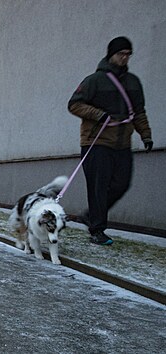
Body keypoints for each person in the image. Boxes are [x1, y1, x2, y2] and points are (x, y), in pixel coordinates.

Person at [68, 36, 153, 246]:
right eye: (120, 54)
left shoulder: (133, 82)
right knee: (98, 186)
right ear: (111, 55)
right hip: (96, 142)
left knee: (122, 184)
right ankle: (97, 229)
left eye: (127, 54)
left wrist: (146, 135)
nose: (124, 58)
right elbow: (74, 104)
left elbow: (138, 112)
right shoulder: (94, 81)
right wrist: (99, 115)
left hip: (122, 143)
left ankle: (91, 216)